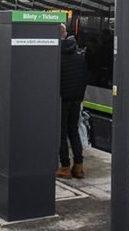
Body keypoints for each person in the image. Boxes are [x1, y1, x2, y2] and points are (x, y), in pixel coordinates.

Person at [56, 23, 87, 180]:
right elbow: (84, 77)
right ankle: (79, 166)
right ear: (66, 33)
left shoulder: (56, 56)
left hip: (62, 99)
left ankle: (65, 167)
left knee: (61, 133)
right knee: (73, 130)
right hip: (77, 99)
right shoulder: (79, 55)